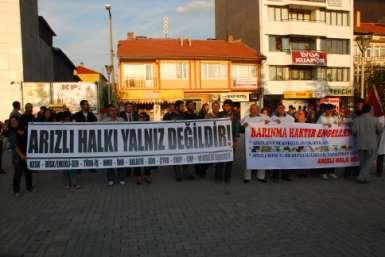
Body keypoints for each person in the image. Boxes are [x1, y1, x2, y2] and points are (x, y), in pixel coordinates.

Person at [352, 104, 383, 183]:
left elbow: (354, 132)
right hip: (371, 144)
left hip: (360, 143)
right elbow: (380, 130)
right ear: (369, 110)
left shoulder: (356, 119)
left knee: (363, 162)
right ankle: (361, 177)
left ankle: (365, 178)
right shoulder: (375, 119)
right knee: (368, 162)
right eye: (372, 109)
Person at [241, 104, 270, 183]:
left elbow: (273, 126)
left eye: (256, 109)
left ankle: (261, 176)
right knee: (248, 159)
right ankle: (247, 177)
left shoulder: (265, 117)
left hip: (261, 142)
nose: (254, 110)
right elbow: (240, 128)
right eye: (252, 109)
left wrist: (269, 123)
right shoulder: (245, 118)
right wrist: (243, 126)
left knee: (261, 158)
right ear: (250, 110)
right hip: (249, 142)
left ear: (258, 110)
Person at [215, 99, 240, 183]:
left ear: (231, 107)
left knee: (229, 160)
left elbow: (236, 129)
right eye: (224, 106)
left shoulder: (235, 116)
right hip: (220, 140)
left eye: (228, 106)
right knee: (220, 160)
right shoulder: (219, 115)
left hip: (230, 140)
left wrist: (235, 141)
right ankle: (218, 178)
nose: (226, 107)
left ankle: (227, 177)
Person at [271, 103, 295, 182]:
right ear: (276, 109)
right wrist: (273, 122)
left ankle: (286, 175)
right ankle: (275, 176)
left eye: (282, 108)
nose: (280, 110)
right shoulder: (273, 118)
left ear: (284, 109)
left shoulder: (291, 118)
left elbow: (294, 128)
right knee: (276, 159)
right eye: (279, 108)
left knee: (287, 159)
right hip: (276, 142)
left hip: (287, 141)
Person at [103, 105, 126, 186]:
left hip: (120, 144)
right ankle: (110, 179)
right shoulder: (104, 121)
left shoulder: (122, 120)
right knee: (110, 162)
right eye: (111, 110)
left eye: (115, 110)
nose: (113, 112)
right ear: (109, 112)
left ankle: (121, 178)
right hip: (109, 145)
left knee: (120, 161)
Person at [11, 117, 34, 196]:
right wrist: (21, 155)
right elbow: (14, 145)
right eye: (12, 121)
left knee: (28, 172)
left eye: (15, 121)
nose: (13, 123)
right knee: (18, 173)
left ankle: (29, 187)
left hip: (26, 154)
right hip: (18, 156)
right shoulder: (12, 132)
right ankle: (16, 191)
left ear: (18, 121)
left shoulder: (23, 129)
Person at [58, 111, 80, 189]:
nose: (67, 118)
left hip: (73, 148)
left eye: (68, 117)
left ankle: (74, 183)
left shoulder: (74, 124)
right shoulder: (59, 125)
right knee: (65, 168)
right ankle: (67, 183)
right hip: (63, 149)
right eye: (65, 117)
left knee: (73, 167)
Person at [317, 104, 339, 180]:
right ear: (326, 110)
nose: (330, 111)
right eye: (329, 110)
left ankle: (332, 172)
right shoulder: (321, 118)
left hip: (333, 141)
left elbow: (340, 123)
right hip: (324, 141)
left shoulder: (335, 118)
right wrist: (325, 124)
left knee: (332, 156)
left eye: (331, 110)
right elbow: (316, 127)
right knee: (325, 157)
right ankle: (323, 172)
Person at [134, 112, 153, 185]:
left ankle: (147, 176)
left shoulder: (150, 125)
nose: (140, 118)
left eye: (142, 117)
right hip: (137, 146)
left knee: (147, 161)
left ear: (145, 118)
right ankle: (138, 177)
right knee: (137, 162)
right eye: (139, 117)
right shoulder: (134, 125)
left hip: (147, 146)